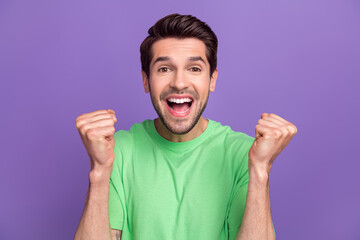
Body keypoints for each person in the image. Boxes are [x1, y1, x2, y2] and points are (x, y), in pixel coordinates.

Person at [74, 13, 297, 240]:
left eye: (194, 69)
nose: (179, 83)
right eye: (164, 69)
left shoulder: (244, 154)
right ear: (145, 80)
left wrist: (260, 170)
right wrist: (100, 170)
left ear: (212, 80)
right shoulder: (118, 151)